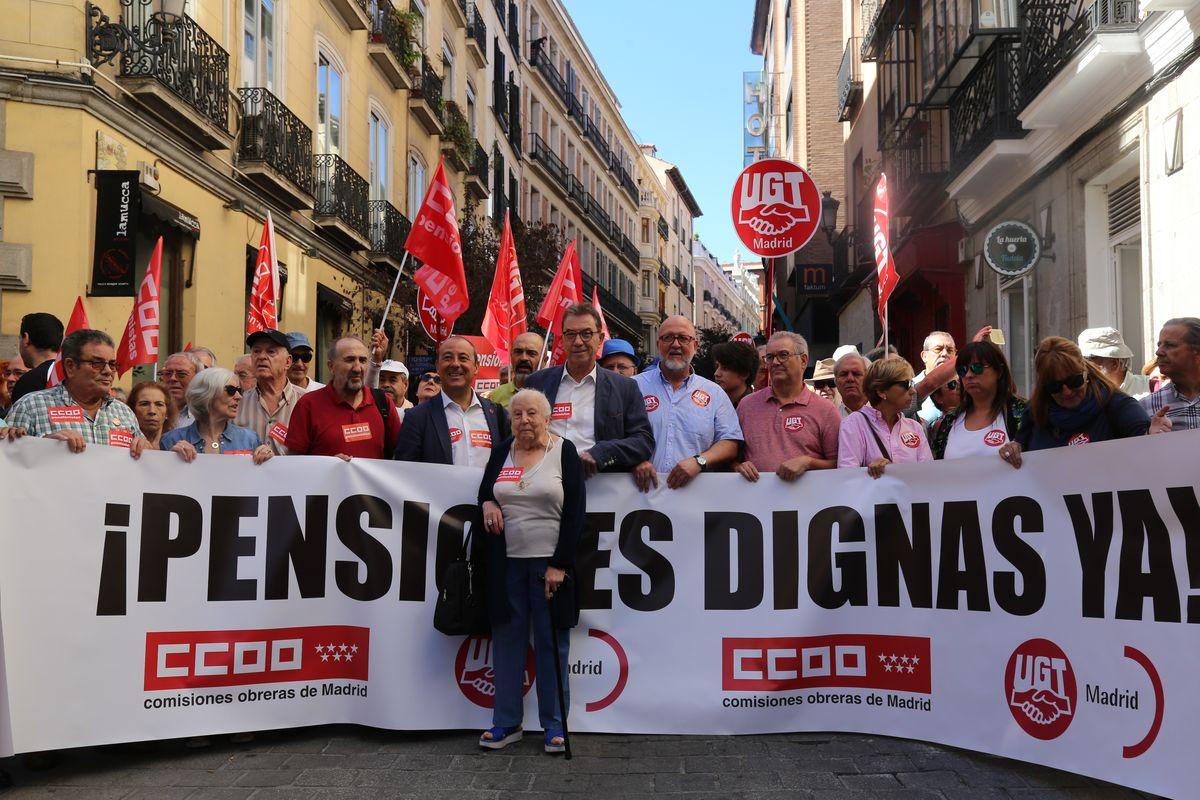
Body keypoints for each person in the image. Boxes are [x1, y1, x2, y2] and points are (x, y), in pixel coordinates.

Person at [477, 389, 584, 753]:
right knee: (507, 642)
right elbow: (484, 491)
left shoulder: (563, 452)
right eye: (518, 414)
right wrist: (489, 502)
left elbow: (575, 513)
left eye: (532, 414)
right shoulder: (501, 451)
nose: (524, 421)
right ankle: (506, 723)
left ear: (547, 418)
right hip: (506, 564)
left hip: (549, 566)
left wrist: (560, 564)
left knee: (552, 644)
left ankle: (555, 725)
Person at [523, 304, 654, 477]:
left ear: (600, 339)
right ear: (562, 340)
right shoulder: (537, 382)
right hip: (544, 483)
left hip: (600, 486)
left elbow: (643, 441)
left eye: (586, 334)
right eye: (570, 334)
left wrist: (602, 453)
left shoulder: (625, 387)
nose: (578, 342)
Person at [1000, 337, 1150, 467]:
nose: (1067, 392)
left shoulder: (1117, 404)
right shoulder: (1034, 412)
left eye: (1074, 381)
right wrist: (1012, 450)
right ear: (1044, 387)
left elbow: (1147, 449)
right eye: (1055, 386)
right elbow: (1019, 447)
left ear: (1085, 374)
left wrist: (1152, 435)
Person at [632, 316, 742, 491]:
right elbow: (614, 435)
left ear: (695, 346)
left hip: (694, 500)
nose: (675, 344)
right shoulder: (633, 386)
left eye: (683, 338)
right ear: (659, 344)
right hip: (640, 496)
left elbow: (730, 442)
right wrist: (633, 461)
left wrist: (699, 461)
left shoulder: (714, 394)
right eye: (668, 337)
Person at [5, 329, 149, 458]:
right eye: (97, 363)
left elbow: (144, 466)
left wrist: (148, 451)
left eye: (112, 364)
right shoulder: (30, 407)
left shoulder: (124, 413)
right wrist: (44, 447)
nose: (108, 371)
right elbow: (8, 462)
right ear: (70, 366)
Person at [735, 332, 840, 482]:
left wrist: (808, 462)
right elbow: (730, 456)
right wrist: (738, 466)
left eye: (783, 355)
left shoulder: (826, 410)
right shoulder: (747, 405)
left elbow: (841, 465)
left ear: (803, 360)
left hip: (808, 502)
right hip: (756, 501)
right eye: (770, 357)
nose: (775, 362)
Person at [394, 336, 509, 465]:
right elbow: (405, 473)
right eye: (447, 358)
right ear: (437, 366)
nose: (455, 364)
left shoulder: (497, 415)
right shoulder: (416, 417)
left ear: (476, 366)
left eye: (463, 358)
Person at [285, 337, 399, 460]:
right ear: (331, 366)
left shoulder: (383, 403)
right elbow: (294, 462)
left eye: (362, 360)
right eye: (349, 360)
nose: (357, 368)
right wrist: (329, 466)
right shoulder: (308, 405)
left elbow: (401, 455)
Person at [837, 356, 932, 477]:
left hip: (912, 496)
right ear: (881, 391)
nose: (913, 390)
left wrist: (894, 472)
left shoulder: (915, 427)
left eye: (912, 383)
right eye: (906, 384)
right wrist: (867, 473)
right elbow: (847, 476)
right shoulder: (854, 423)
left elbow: (928, 475)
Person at [930, 341, 1025, 460]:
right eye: (962, 370)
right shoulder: (949, 421)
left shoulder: (1023, 412)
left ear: (999, 371)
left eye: (977, 367)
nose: (969, 375)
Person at [160, 368, 273, 464]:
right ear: (207, 394)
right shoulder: (172, 439)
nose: (239, 396)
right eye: (231, 390)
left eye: (239, 390)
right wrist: (172, 459)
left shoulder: (249, 439)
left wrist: (267, 459)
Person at [236, 329, 304, 454]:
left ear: (288, 362)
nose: (261, 357)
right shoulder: (237, 403)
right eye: (256, 351)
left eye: (271, 352)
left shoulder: (306, 402)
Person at [1141, 318, 1200, 434]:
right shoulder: (1146, 406)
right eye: (1159, 345)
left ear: (1197, 352)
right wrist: (1149, 439)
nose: (1158, 352)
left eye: (1170, 345)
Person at [1078, 327, 1151, 399]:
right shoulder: (1081, 396)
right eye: (1080, 361)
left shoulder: (1150, 389)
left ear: (1114, 363)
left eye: (1088, 360)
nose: (1083, 368)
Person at [9, 312, 64, 406]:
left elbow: (19, 419)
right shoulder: (71, 373)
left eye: (20, 338)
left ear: (26, 339)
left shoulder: (29, 382)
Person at [912, 331, 959, 425]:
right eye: (938, 349)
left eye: (950, 350)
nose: (944, 354)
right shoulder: (910, 389)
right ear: (924, 356)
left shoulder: (965, 385)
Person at [489, 332, 547, 408]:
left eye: (531, 353)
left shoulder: (554, 391)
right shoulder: (495, 396)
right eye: (518, 352)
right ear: (511, 356)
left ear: (544, 360)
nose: (523, 358)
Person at [161, 351, 205, 430]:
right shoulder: (151, 410)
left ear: (198, 379)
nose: (173, 378)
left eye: (181, 374)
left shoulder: (207, 416)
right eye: (168, 373)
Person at [126, 380, 176, 450]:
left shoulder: (175, 445)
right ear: (132, 410)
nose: (152, 411)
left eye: (159, 404)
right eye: (144, 404)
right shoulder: (123, 445)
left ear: (167, 412)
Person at [711, 340, 759, 408]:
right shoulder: (713, 403)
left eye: (725, 368)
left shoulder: (756, 407)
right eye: (717, 366)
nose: (716, 373)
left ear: (744, 374)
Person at [833, 352, 869, 416]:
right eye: (844, 374)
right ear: (835, 381)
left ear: (868, 378)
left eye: (856, 374)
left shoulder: (884, 415)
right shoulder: (831, 418)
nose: (850, 379)